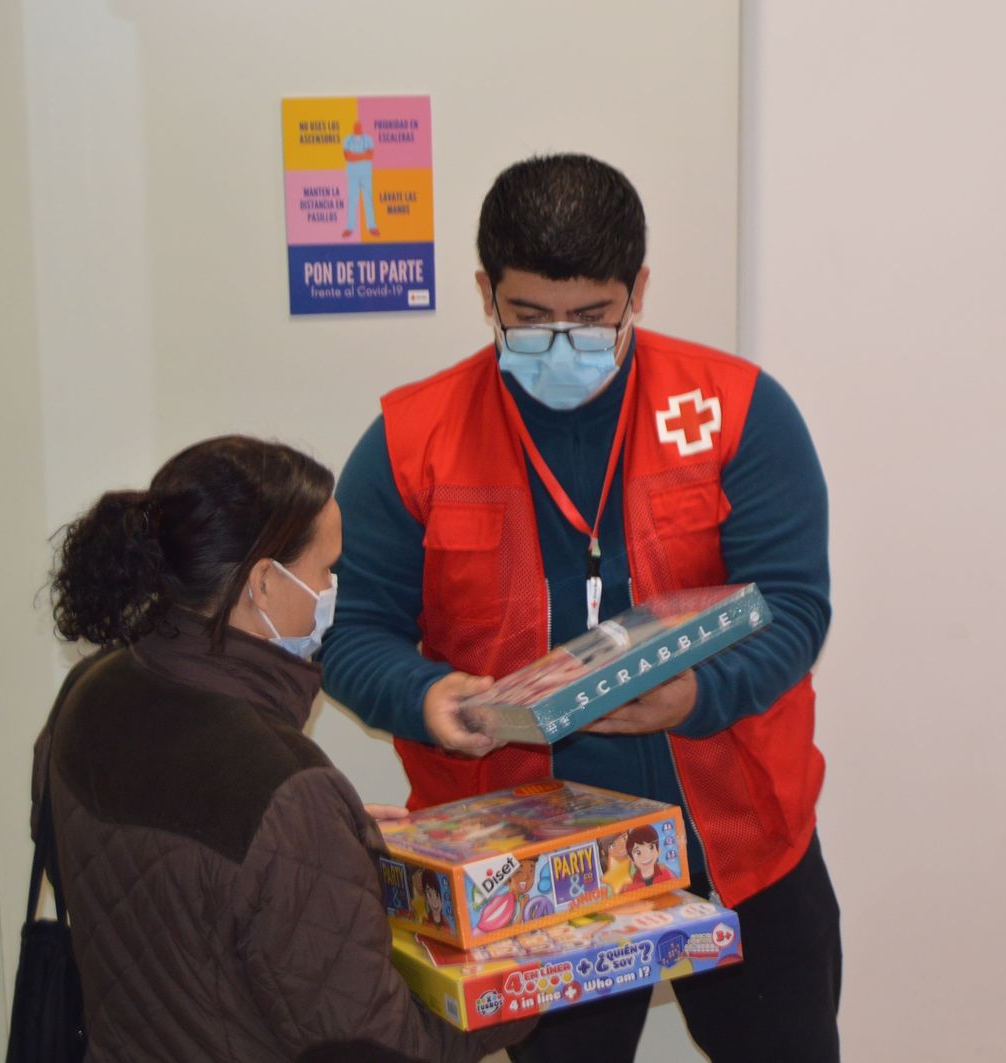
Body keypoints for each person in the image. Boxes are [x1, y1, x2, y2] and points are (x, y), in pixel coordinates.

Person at [322, 154, 841, 1062]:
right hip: (524, 874)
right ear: (485, 292)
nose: (561, 341)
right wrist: (426, 696)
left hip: (740, 842)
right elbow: (352, 632)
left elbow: (794, 609)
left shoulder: (735, 410)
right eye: (529, 318)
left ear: (637, 288)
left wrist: (695, 695)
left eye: (592, 317)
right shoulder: (413, 440)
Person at [35, 435, 527, 1062]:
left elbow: (101, 869)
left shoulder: (88, 689)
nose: (334, 589)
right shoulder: (283, 787)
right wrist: (533, 989)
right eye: (328, 569)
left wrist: (321, 847)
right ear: (263, 584)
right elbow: (377, 1051)